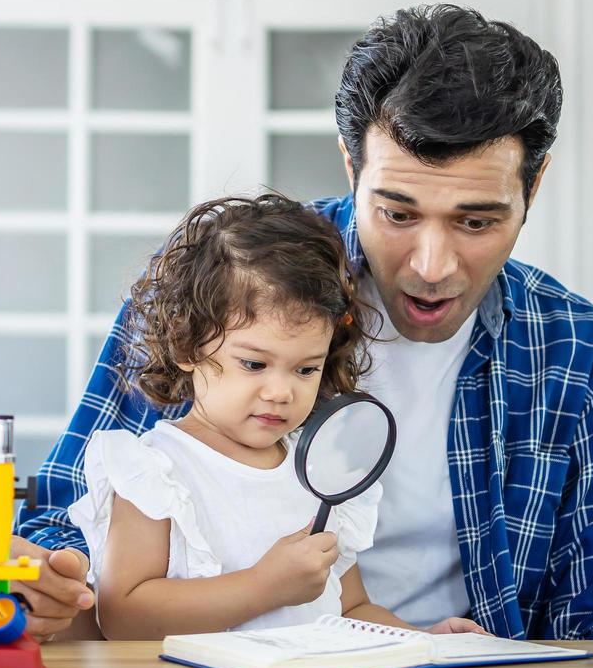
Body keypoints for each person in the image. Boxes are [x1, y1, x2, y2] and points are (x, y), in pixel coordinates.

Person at [0, 4, 593, 656]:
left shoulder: (574, 349)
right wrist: (51, 587)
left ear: (532, 189)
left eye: (477, 221)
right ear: (350, 162)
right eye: (397, 211)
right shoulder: (216, 296)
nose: (432, 264)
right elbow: (72, 521)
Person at [68, 194, 485, 638]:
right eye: (254, 364)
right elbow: (123, 615)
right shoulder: (156, 471)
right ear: (188, 346)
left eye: (306, 368)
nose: (281, 392)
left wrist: (424, 641)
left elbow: (353, 608)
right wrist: (263, 586)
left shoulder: (320, 474)